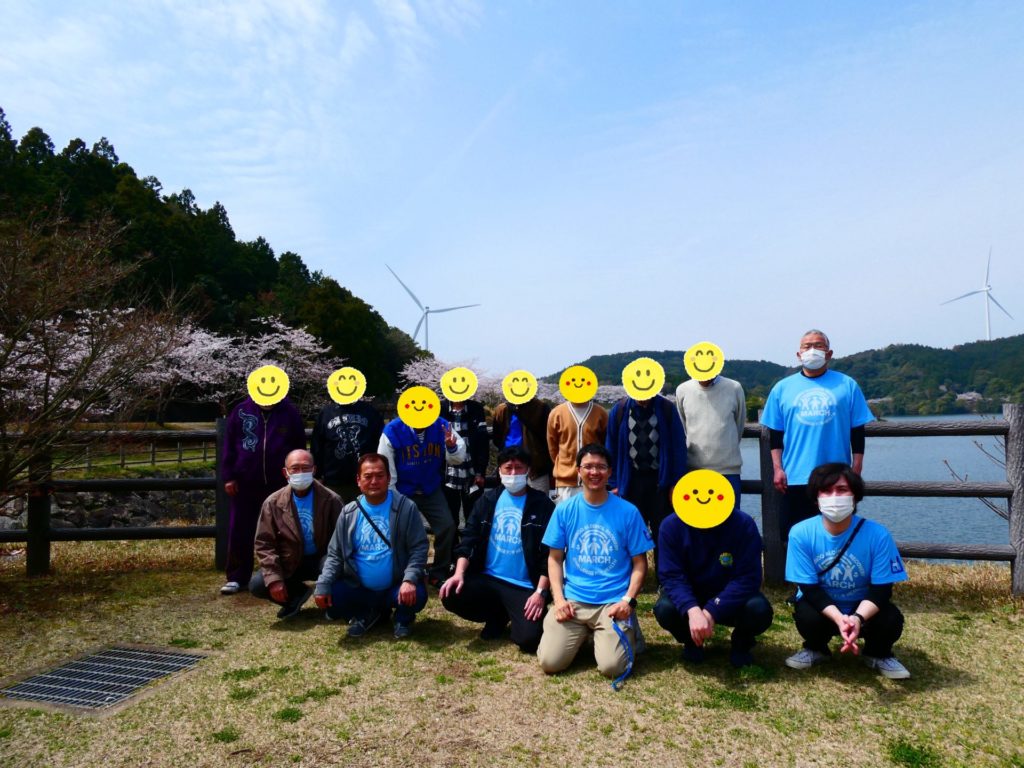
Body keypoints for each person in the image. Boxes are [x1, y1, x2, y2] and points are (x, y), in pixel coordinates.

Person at [536, 444, 653, 680]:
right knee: (550, 663)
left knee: (612, 667)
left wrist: (628, 601)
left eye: (601, 467)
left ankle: (621, 630)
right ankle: (584, 635)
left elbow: (640, 564)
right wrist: (558, 599)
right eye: (588, 466)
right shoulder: (564, 510)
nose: (594, 472)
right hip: (574, 601)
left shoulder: (628, 512)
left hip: (612, 603)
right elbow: (555, 558)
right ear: (578, 471)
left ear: (610, 472)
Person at [784, 463, 910, 679]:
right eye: (826, 490)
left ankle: (878, 654)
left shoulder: (878, 535)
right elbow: (809, 588)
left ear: (855, 496)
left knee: (890, 619)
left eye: (842, 490)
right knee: (807, 616)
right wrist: (839, 618)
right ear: (816, 497)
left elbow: (882, 589)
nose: (834, 497)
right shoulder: (800, 533)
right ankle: (816, 649)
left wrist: (857, 618)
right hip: (822, 606)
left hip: (862, 605)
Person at [440, 446, 555, 653]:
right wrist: (458, 573)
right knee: (451, 594)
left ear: (528, 470)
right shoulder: (487, 500)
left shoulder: (542, 504)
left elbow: (550, 554)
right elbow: (469, 539)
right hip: (489, 578)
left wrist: (540, 592)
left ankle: (517, 614)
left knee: (528, 640)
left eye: (518, 468)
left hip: (523, 585)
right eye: (508, 468)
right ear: (499, 471)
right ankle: (497, 615)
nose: (513, 474)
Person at [761, 329, 874, 539]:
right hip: (795, 475)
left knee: (837, 534)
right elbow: (775, 434)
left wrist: (856, 466)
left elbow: (857, 430)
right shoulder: (782, 388)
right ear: (798, 354)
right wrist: (778, 468)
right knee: (794, 536)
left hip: (836, 474)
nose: (812, 350)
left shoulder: (847, 385)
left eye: (819, 345)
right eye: (807, 346)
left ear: (829, 353)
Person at [653, 476, 773, 668]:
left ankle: (741, 643)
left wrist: (711, 611)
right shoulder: (670, 526)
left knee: (759, 610)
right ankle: (692, 640)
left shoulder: (743, 524)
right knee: (664, 609)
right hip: (692, 592)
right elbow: (671, 576)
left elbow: (748, 578)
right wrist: (692, 610)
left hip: (730, 596)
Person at [313, 453, 429, 639]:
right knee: (332, 596)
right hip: (360, 587)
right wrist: (323, 584)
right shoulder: (349, 512)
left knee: (418, 595)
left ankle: (403, 617)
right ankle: (368, 613)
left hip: (396, 585)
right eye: (368, 476)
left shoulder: (406, 508)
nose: (374, 481)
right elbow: (335, 554)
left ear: (389, 478)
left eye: (380, 475)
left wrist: (409, 580)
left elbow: (419, 548)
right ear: (358, 480)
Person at [219, 382, 306, 595]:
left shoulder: (289, 412)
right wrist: (229, 476)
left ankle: (281, 574)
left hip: (280, 483)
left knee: (282, 530)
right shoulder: (240, 411)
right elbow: (229, 446)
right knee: (240, 528)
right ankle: (237, 576)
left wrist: (297, 475)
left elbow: (299, 446)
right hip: (245, 481)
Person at [378, 408, 467, 585]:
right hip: (402, 489)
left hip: (430, 488)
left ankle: (438, 572)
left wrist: (451, 446)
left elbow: (458, 458)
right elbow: (386, 464)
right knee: (399, 531)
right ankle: (401, 572)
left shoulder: (441, 425)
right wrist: (392, 495)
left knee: (447, 526)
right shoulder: (393, 430)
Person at [250, 449, 343, 619]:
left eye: (305, 468)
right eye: (295, 468)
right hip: (289, 560)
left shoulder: (332, 500)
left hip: (322, 559)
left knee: (341, 569)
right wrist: (275, 579)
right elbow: (264, 543)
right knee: (258, 584)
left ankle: (334, 602)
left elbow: (343, 540)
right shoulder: (272, 503)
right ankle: (296, 595)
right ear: (285, 472)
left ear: (314, 470)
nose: (300, 473)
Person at [606, 393, 687, 573]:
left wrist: (675, 482)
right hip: (630, 479)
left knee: (663, 529)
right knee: (630, 530)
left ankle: (664, 576)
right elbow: (611, 448)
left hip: (660, 480)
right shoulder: (619, 410)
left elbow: (679, 447)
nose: (642, 398)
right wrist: (613, 484)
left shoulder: (666, 408)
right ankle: (631, 575)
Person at [676, 374, 746, 503]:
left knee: (731, 521)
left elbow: (739, 425)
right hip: (694, 470)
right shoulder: (682, 390)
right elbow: (683, 427)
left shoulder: (734, 387)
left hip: (728, 470)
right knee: (698, 521)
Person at [310, 394, 383, 503]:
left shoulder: (370, 412)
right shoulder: (326, 413)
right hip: (333, 480)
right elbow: (317, 446)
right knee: (335, 517)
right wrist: (317, 474)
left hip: (366, 479)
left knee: (364, 516)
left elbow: (380, 444)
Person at [440, 397, 490, 536]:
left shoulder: (476, 408)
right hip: (448, 473)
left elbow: (483, 442)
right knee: (449, 519)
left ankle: (471, 554)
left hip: (471, 471)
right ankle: (452, 554)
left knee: (473, 516)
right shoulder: (440, 408)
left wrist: (480, 471)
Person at [547, 398, 608, 503]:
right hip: (565, 481)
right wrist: (562, 466)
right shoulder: (557, 413)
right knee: (566, 517)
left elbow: (605, 444)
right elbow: (552, 446)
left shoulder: (601, 413)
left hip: (594, 478)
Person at [492, 398, 553, 492]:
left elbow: (549, 437)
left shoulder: (541, 408)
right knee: (510, 503)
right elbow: (497, 438)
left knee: (539, 503)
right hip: (509, 466)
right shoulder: (502, 410)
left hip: (536, 468)